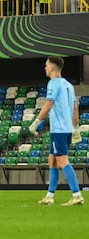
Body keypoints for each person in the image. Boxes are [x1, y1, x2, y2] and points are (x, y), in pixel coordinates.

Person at [29, 56, 83, 206]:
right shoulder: (68, 85)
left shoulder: (53, 83)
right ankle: (50, 196)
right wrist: (76, 127)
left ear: (52, 68)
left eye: (46, 65)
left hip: (58, 130)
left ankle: (77, 195)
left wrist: (36, 123)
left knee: (62, 160)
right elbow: (75, 108)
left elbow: (48, 104)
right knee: (52, 160)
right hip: (66, 129)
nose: (45, 68)